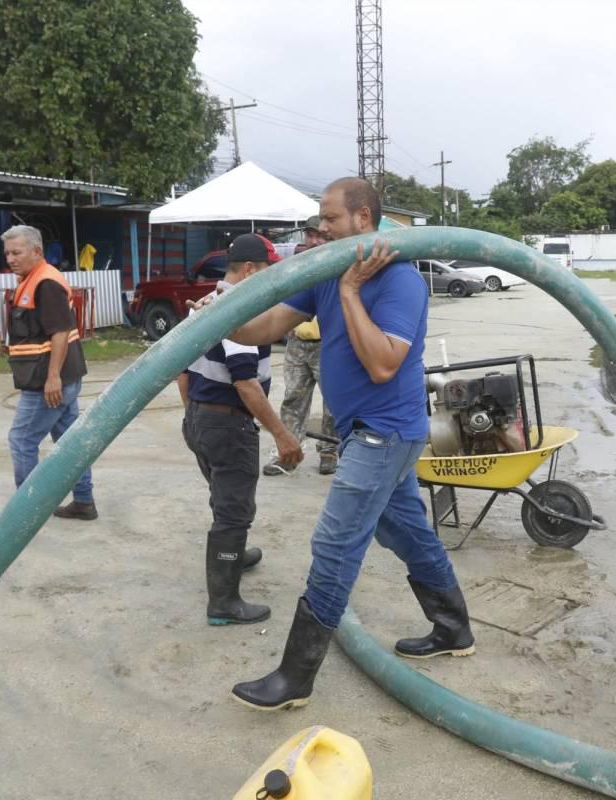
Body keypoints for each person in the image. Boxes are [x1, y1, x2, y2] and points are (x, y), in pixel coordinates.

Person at [220, 178, 475, 712]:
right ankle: (453, 628)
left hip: (387, 433)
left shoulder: (401, 281)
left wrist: (352, 293)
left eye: (330, 219)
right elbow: (262, 328)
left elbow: (384, 364)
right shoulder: (329, 271)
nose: (320, 229)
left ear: (364, 219)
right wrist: (219, 315)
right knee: (405, 532)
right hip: (364, 431)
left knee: (335, 545)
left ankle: (295, 677)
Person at [179, 234, 302, 625]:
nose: (271, 281)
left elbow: (181, 372)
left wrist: (196, 416)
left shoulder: (207, 303)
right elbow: (246, 383)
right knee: (233, 511)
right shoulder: (240, 312)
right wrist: (282, 434)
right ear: (249, 270)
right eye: (268, 272)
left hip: (200, 417)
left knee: (223, 495)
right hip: (227, 423)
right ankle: (224, 603)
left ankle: (233, 555)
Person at [0, 225, 96, 523]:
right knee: (69, 443)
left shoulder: (45, 283)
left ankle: (24, 514)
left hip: (48, 382)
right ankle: (84, 501)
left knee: (22, 440)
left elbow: (60, 332)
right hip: (58, 377)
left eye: (17, 252)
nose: (10, 258)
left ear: (37, 251)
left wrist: (53, 378)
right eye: (7, 253)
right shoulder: (33, 279)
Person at [264, 216, 339, 477]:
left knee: (333, 402)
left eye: (320, 235)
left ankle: (329, 451)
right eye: (310, 235)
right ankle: (288, 452)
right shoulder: (297, 267)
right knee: (293, 397)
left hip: (328, 344)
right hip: (298, 343)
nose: (315, 240)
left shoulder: (337, 266)